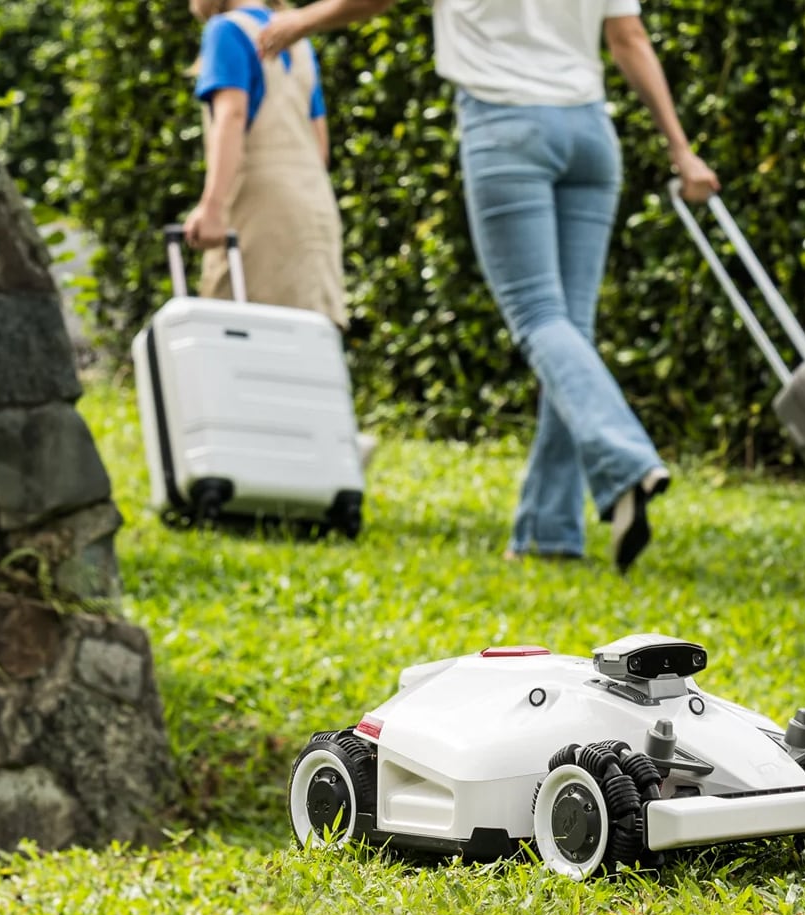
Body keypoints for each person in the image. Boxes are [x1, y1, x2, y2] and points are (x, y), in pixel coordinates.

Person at [256, 0, 720, 572]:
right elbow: (630, 39)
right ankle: (549, 531)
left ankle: (625, 460)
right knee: (569, 331)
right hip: (590, 134)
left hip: (506, 126)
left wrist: (303, 20)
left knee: (537, 315)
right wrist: (681, 148)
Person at [184, 0, 377, 465]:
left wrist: (212, 206)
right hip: (311, 198)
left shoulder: (227, 31)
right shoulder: (298, 36)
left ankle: (253, 452)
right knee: (308, 328)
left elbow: (231, 117)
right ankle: (324, 437)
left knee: (241, 327)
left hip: (261, 198)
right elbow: (319, 141)